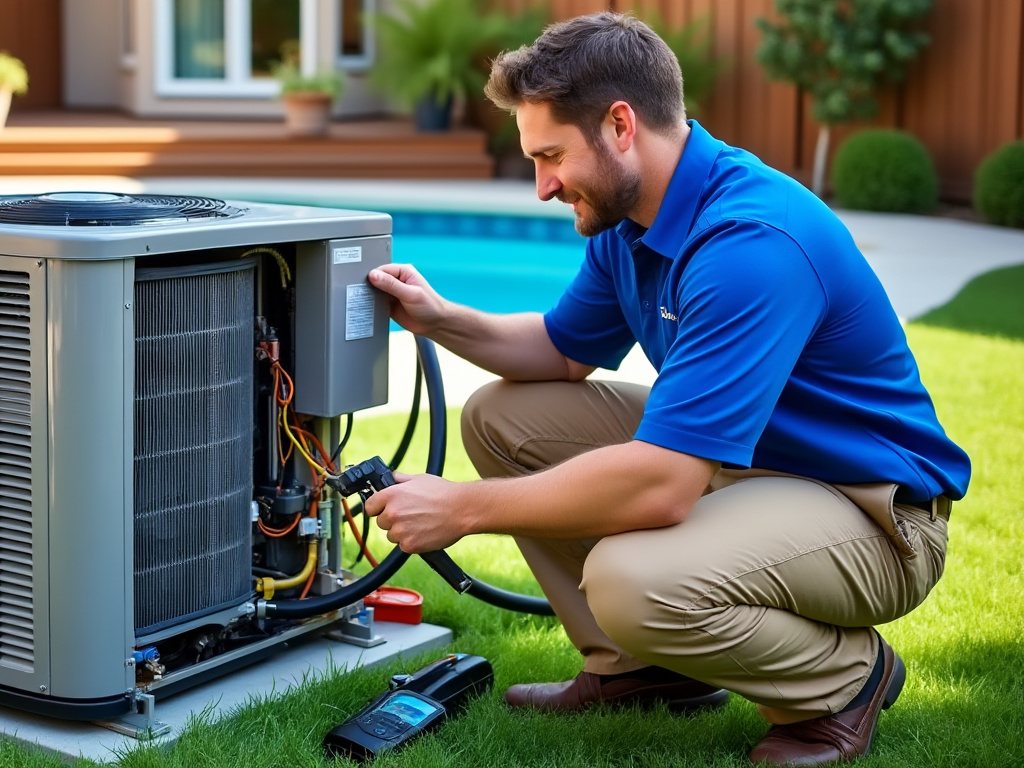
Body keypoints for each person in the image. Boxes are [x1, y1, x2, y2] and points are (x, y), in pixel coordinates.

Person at [362, 11, 970, 767]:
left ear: (620, 125)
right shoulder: (631, 220)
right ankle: (639, 670)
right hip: (751, 465)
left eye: (551, 156)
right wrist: (440, 318)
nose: (544, 186)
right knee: (500, 416)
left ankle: (846, 680)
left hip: (871, 511)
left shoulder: (750, 244)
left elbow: (661, 487)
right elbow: (559, 350)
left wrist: (463, 508)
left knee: (633, 581)